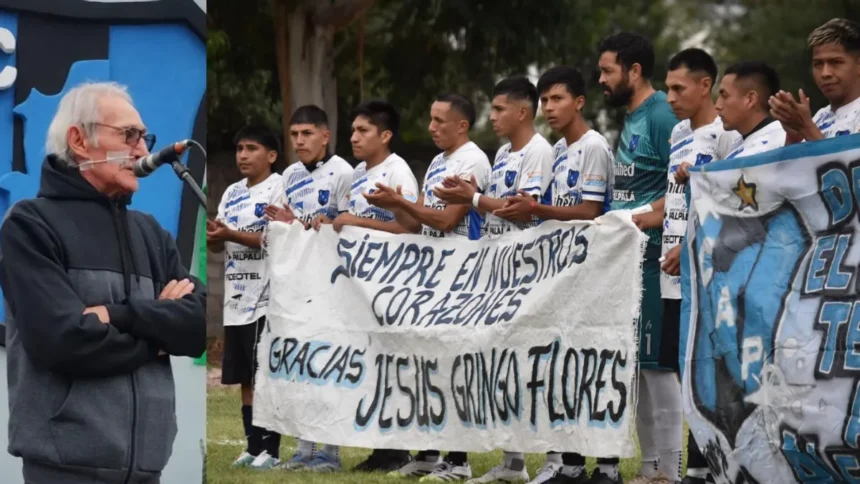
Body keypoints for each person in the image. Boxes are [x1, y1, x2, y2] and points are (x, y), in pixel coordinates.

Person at [0, 81, 206, 484]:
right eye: (129, 135)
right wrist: (160, 336)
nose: (143, 151)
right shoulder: (29, 225)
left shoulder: (150, 233)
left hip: (148, 467)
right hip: (64, 467)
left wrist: (119, 316)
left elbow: (198, 326)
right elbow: (63, 340)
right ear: (79, 139)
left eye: (145, 138)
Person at [491, 66, 614, 484]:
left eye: (557, 99)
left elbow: (590, 211)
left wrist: (537, 210)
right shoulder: (560, 150)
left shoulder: (594, 145)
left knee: (591, 367)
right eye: (545, 100)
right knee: (562, 368)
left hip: (593, 270)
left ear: (579, 102)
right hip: (561, 272)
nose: (549, 107)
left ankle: (609, 466)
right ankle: (570, 462)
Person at [363, 93, 491, 482]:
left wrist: (405, 204)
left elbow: (448, 220)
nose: (431, 127)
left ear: (462, 125)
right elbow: (418, 221)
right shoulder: (437, 162)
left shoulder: (473, 160)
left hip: (462, 275)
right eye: (431, 119)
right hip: (432, 277)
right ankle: (430, 452)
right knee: (429, 365)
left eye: (439, 121)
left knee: (454, 366)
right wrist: (394, 203)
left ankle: (459, 459)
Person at [434, 76, 553, 484]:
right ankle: (513, 462)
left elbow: (522, 210)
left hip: (528, 272)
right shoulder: (502, 153)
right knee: (501, 367)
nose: (492, 116)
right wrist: (474, 200)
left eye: (499, 109)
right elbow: (492, 211)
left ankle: (554, 459)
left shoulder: (539, 151)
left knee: (529, 367)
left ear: (523, 111)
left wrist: (471, 198)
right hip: (496, 271)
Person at [314, 99, 419, 472]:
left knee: (394, 364)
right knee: (371, 364)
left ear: (385, 135)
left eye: (363, 131)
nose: (354, 137)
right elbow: (345, 219)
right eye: (353, 130)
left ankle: (398, 450)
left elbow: (412, 229)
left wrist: (357, 224)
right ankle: (380, 448)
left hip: (391, 284)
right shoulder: (358, 172)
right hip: (359, 286)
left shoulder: (397, 171)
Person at [597, 31, 679, 484]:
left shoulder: (663, 115)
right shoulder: (630, 118)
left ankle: (670, 467)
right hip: (629, 261)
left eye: (608, 70)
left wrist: (646, 219)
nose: (601, 79)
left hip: (658, 261)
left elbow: (684, 186)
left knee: (658, 368)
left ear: (634, 71)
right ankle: (650, 468)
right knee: (640, 370)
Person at [661, 48, 741, 484]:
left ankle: (717, 463)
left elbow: (732, 203)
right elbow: (675, 201)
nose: (670, 96)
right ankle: (695, 464)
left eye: (679, 87)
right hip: (673, 266)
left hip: (709, 266)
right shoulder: (677, 133)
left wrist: (692, 246)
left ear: (706, 85)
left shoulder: (725, 133)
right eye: (667, 87)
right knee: (682, 368)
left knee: (712, 368)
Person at [266, 105, 354, 473]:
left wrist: (322, 223)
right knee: (300, 366)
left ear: (325, 135)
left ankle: (329, 453)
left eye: (306, 134)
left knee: (328, 367)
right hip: (297, 286)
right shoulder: (288, 175)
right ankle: (304, 449)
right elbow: (290, 229)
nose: (299, 141)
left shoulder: (344, 174)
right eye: (294, 134)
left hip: (333, 286)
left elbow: (352, 229)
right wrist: (291, 223)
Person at [208, 124, 284, 469]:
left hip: (266, 298)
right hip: (236, 298)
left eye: (251, 148)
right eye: (239, 148)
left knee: (264, 375)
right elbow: (218, 242)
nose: (242, 155)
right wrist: (215, 235)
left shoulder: (279, 187)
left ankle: (272, 450)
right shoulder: (232, 192)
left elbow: (275, 238)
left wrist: (233, 233)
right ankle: (252, 447)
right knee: (243, 377)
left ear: (271, 155)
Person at [769, 17, 860, 141]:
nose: (825, 73)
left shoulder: (809, 124)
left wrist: (807, 128)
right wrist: (794, 136)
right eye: (818, 64)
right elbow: (799, 161)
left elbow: (849, 161)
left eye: (836, 62)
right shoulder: (819, 117)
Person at [717, 61, 786, 158]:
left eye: (724, 96)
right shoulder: (736, 145)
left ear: (750, 99)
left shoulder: (781, 141)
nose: (717, 105)